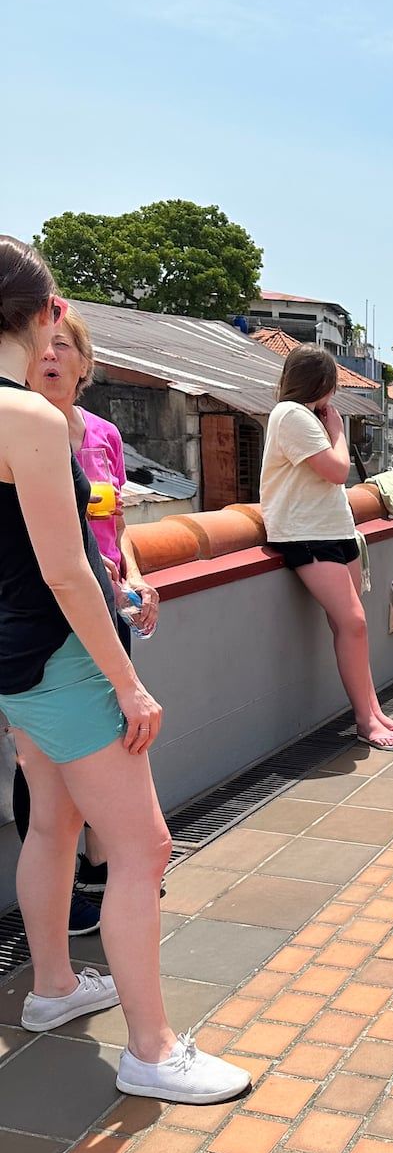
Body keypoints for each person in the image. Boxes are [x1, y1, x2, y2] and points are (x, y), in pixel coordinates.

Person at [0, 236, 249, 1102]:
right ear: (43, 316)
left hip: (17, 666)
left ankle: (54, 988)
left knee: (53, 828)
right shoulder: (25, 417)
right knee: (144, 848)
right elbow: (69, 571)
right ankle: (152, 1050)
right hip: (65, 664)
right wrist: (129, 680)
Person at [19, 307, 162, 926]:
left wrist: (132, 574)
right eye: (41, 345)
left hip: (105, 616)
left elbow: (116, 526)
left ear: (84, 363)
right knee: (44, 778)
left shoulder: (101, 436)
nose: (51, 356)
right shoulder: (18, 428)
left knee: (116, 751)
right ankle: (73, 894)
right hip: (45, 629)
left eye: (65, 346)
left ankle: (107, 874)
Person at [260, 345, 393, 752]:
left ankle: (374, 711)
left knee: (350, 626)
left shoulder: (302, 415)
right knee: (354, 622)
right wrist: (339, 432)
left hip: (332, 530)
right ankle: (365, 719)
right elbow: (337, 470)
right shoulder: (291, 415)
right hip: (306, 535)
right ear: (322, 383)